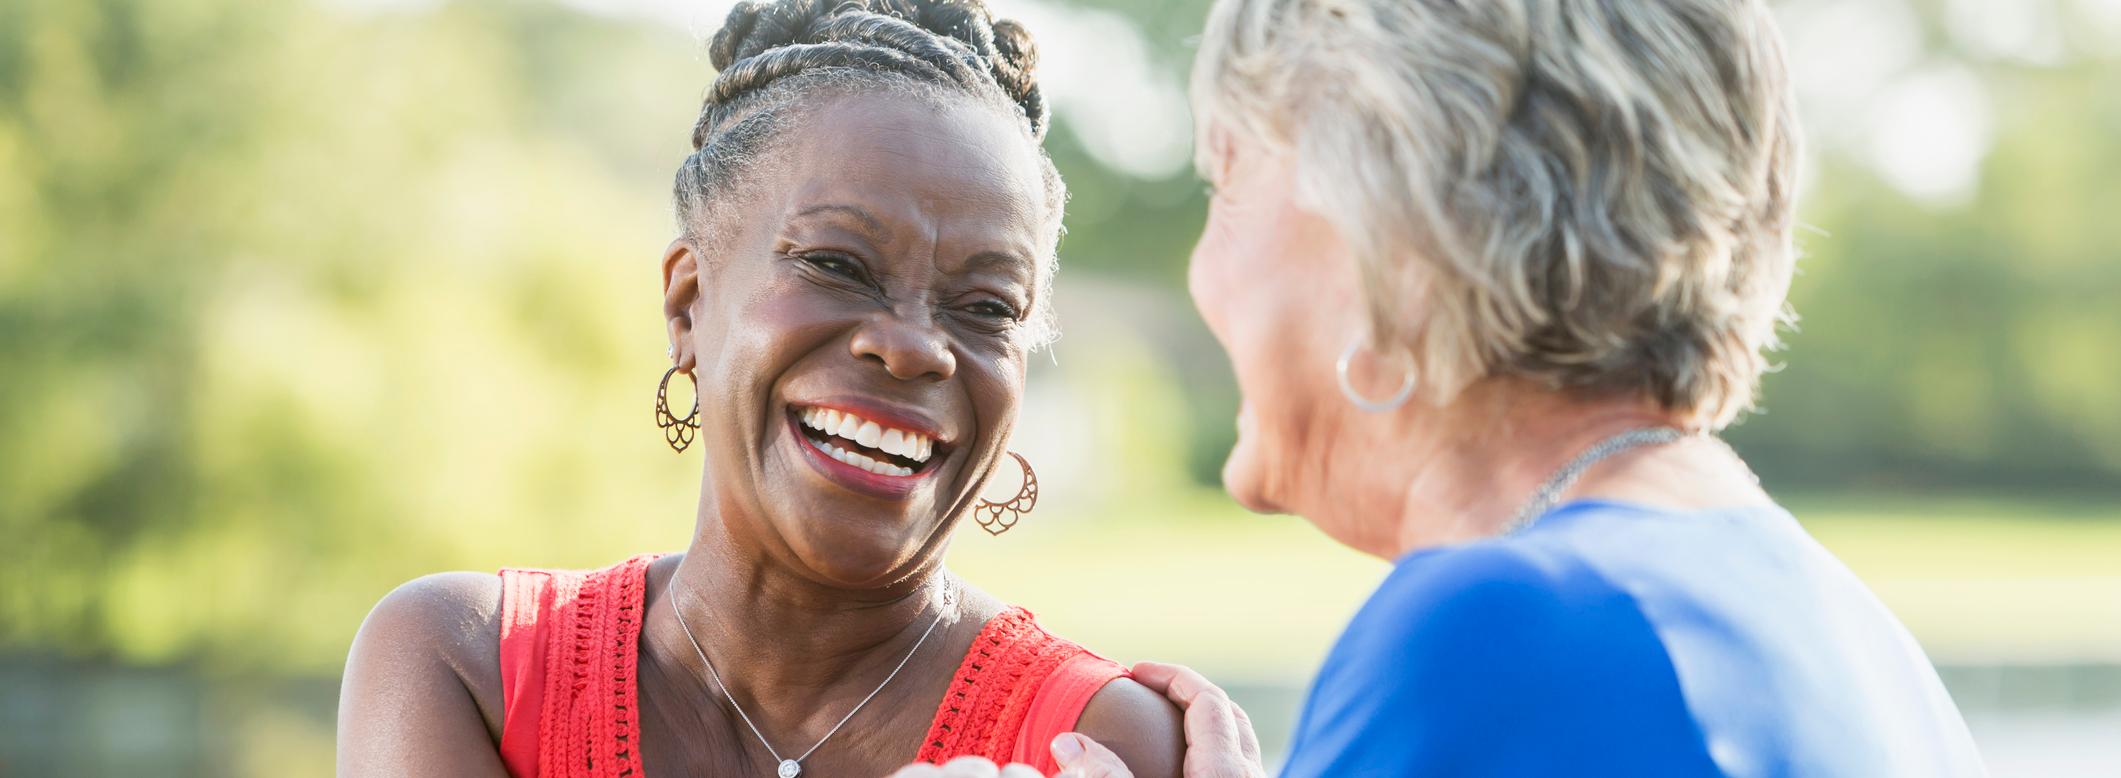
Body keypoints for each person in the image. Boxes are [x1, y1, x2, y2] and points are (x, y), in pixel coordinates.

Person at [912, 0, 1987, 776]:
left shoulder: (1503, 629)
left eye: (1226, 182)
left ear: (1386, 243)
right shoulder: (1826, 615)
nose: (1203, 272)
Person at [333, 1, 1188, 775]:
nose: (915, 349)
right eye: (835, 265)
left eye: (987, 306)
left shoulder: (1102, 745)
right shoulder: (464, 664)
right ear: (686, 305)